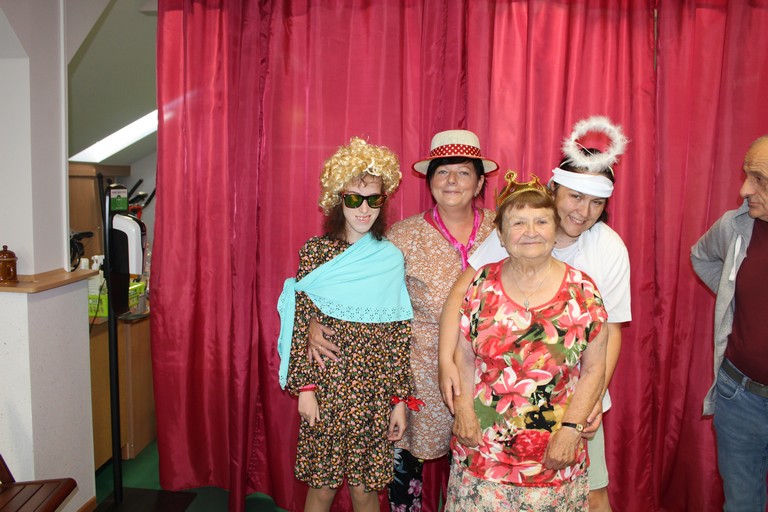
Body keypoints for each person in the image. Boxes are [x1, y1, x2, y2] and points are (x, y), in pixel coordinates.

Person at [439, 116, 631, 511]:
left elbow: (608, 336)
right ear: (554, 191)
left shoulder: (603, 254)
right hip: (490, 432)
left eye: (596, 202)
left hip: (571, 404)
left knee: (595, 494)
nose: (584, 211)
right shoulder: (509, 242)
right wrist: (447, 367)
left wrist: (586, 409)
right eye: (575, 197)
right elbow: (462, 300)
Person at [307, 129, 500, 511]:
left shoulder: (504, 229)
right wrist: (314, 318)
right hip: (417, 374)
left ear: (480, 182)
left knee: (480, 476)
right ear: (429, 181)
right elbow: (357, 291)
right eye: (442, 172)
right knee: (404, 476)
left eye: (463, 172)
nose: (452, 181)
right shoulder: (403, 236)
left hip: (490, 374)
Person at [276, 137, 417, 512]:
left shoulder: (390, 258)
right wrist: (305, 389)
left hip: (373, 392)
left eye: (373, 199)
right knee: (322, 488)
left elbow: (398, 335)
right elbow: (300, 318)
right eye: (354, 198)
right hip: (326, 388)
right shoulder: (316, 252)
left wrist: (399, 401)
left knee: (365, 491)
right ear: (338, 199)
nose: (364, 209)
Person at [691, 135, 768, 512]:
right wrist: (730, 292)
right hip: (739, 396)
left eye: (759, 180)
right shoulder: (735, 226)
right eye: (746, 175)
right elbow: (701, 256)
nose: (744, 190)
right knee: (741, 503)